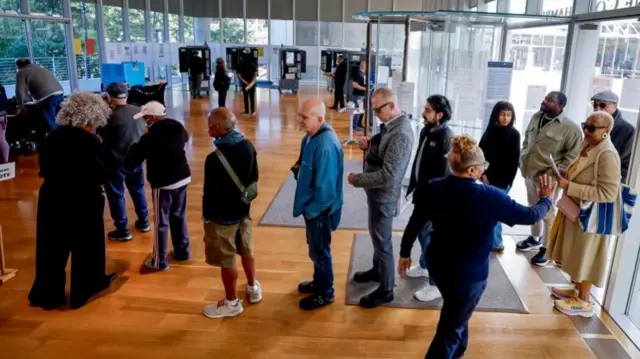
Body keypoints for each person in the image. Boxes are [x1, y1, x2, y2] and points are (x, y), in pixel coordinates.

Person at [398, 135, 554, 359]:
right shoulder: (491, 197)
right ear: (472, 170)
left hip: (439, 265)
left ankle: (459, 351)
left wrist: (405, 253)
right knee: (449, 330)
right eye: (483, 166)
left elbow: (415, 223)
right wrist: (547, 200)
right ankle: (454, 349)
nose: (484, 169)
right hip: (469, 276)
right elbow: (531, 215)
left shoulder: (432, 188)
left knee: (455, 311)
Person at [28, 92, 117, 311]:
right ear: (89, 120)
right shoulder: (90, 142)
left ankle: (47, 294)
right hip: (83, 199)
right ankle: (84, 289)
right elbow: (104, 174)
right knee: (87, 247)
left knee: (51, 248)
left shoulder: (53, 136)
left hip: (52, 197)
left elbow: (44, 169)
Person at [548, 111, 621, 318]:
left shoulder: (607, 155)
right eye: (584, 125)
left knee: (586, 256)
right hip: (578, 213)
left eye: (590, 128)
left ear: (605, 131)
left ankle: (584, 301)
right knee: (577, 254)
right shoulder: (589, 146)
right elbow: (582, 175)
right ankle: (576, 292)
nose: (585, 130)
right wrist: (565, 175)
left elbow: (608, 193)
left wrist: (569, 186)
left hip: (591, 217)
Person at [348, 87, 414, 308]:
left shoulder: (401, 134)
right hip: (376, 194)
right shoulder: (391, 126)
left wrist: (358, 179)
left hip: (384, 196)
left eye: (377, 110)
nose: (375, 115)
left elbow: (388, 176)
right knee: (376, 237)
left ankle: (386, 289)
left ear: (391, 105)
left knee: (383, 242)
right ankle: (377, 272)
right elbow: (382, 144)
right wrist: (370, 145)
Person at [202, 107, 262, 318]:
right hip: (243, 211)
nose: (208, 129)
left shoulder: (213, 159)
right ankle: (253, 288)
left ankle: (231, 302)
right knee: (247, 249)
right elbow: (253, 177)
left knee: (227, 260)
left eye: (210, 126)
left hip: (222, 217)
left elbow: (209, 193)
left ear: (218, 129)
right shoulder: (247, 146)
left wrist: (207, 217)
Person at [516, 91, 582, 266]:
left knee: (546, 212)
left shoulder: (571, 129)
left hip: (548, 178)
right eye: (545, 98)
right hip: (530, 172)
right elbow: (527, 141)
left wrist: (556, 172)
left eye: (550, 101)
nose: (544, 101)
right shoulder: (536, 117)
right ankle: (535, 238)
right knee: (533, 207)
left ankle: (548, 248)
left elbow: (573, 156)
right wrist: (523, 156)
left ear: (560, 106)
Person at [125, 101, 191, 271]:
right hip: (183, 177)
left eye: (146, 117)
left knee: (161, 221)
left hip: (164, 183)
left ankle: (159, 261)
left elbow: (134, 158)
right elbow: (185, 138)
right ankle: (182, 252)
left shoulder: (150, 137)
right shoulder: (177, 127)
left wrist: (137, 144)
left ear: (152, 118)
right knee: (179, 215)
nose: (144, 121)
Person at [293, 97, 343, 311]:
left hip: (320, 210)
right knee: (315, 248)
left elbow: (326, 191)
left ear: (320, 119)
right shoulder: (310, 137)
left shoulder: (325, 146)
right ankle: (319, 281)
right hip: (312, 207)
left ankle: (326, 292)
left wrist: (311, 210)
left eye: (304, 117)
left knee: (321, 251)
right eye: (299, 115)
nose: (299, 120)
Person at [404, 94, 454, 303]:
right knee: (424, 236)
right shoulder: (427, 130)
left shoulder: (445, 137)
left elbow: (443, 174)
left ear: (439, 115)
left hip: (434, 200)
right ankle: (425, 266)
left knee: (431, 240)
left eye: (428, 110)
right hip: (422, 192)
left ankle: (436, 285)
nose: (423, 113)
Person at [99, 82, 150, 241]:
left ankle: (122, 229)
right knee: (138, 189)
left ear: (109, 97)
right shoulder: (138, 112)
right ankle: (144, 222)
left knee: (116, 194)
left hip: (114, 162)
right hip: (135, 158)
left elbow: (100, 137)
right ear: (126, 95)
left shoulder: (108, 117)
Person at [479, 101, 521, 252]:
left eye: (509, 115)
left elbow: (512, 164)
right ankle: (492, 241)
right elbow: (480, 154)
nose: (506, 118)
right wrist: (483, 175)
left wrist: (499, 182)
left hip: (502, 182)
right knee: (489, 211)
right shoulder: (490, 131)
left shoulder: (514, 134)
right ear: (496, 114)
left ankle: (497, 243)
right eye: (503, 114)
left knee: (494, 212)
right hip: (486, 179)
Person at [590, 90, 634, 183]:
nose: (598, 109)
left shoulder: (628, 130)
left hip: (609, 181)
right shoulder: (591, 124)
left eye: (602, 105)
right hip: (589, 178)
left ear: (614, 106)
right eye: (595, 105)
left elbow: (626, 164)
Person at [15, 58, 64, 133]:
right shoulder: (39, 68)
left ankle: (57, 141)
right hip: (60, 92)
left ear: (18, 66)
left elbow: (20, 91)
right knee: (59, 120)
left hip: (47, 96)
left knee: (50, 122)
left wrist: (21, 106)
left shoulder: (21, 72)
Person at [351, 61, 367, 131]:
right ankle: (354, 126)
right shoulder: (358, 74)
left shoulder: (363, 74)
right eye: (366, 65)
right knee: (358, 111)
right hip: (358, 95)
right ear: (363, 66)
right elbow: (354, 85)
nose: (367, 67)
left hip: (362, 95)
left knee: (361, 111)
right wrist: (364, 88)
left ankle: (359, 124)